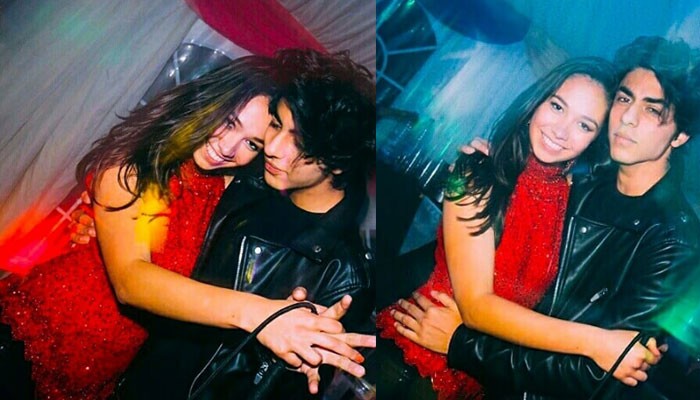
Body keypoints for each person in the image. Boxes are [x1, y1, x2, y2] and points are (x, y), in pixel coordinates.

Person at [0, 54, 371, 400]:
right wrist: (260, 315)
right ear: (209, 101)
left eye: (252, 143)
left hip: (99, 380)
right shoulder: (140, 160)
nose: (230, 146)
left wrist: (296, 357)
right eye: (230, 122)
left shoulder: (237, 185)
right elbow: (130, 279)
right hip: (28, 340)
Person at [392, 36, 700, 399]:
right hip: (421, 362)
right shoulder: (576, 185)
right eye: (624, 99)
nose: (627, 119)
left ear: (681, 135)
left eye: (652, 110)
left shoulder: (675, 242)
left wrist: (463, 345)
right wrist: (486, 169)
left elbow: (602, 374)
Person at [105, 48, 376, 399]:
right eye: (276, 125)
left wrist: (288, 368)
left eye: (300, 142)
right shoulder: (246, 180)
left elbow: (289, 384)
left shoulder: (344, 275)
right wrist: (108, 221)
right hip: (132, 381)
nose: (273, 147)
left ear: (338, 163)